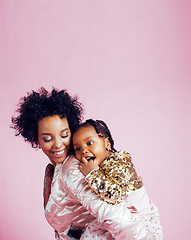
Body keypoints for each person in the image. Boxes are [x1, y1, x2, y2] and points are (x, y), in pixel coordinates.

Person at [11, 87, 162, 240]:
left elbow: (116, 216)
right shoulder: (59, 167)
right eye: (47, 139)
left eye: (64, 135)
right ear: (36, 139)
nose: (57, 144)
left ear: (72, 129)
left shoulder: (75, 168)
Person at [72, 119, 163, 240]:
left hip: (141, 221)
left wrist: (92, 173)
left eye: (89, 143)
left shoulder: (119, 163)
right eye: (77, 148)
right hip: (123, 218)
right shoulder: (101, 166)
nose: (84, 150)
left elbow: (114, 195)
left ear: (107, 144)